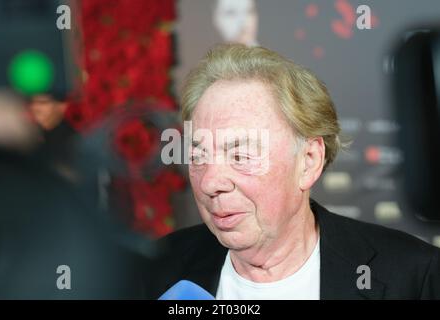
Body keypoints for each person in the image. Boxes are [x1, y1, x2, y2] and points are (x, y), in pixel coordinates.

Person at [147, 44, 440, 300]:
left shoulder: (413, 276)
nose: (210, 182)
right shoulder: (155, 270)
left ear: (309, 161)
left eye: (240, 155)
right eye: (199, 155)